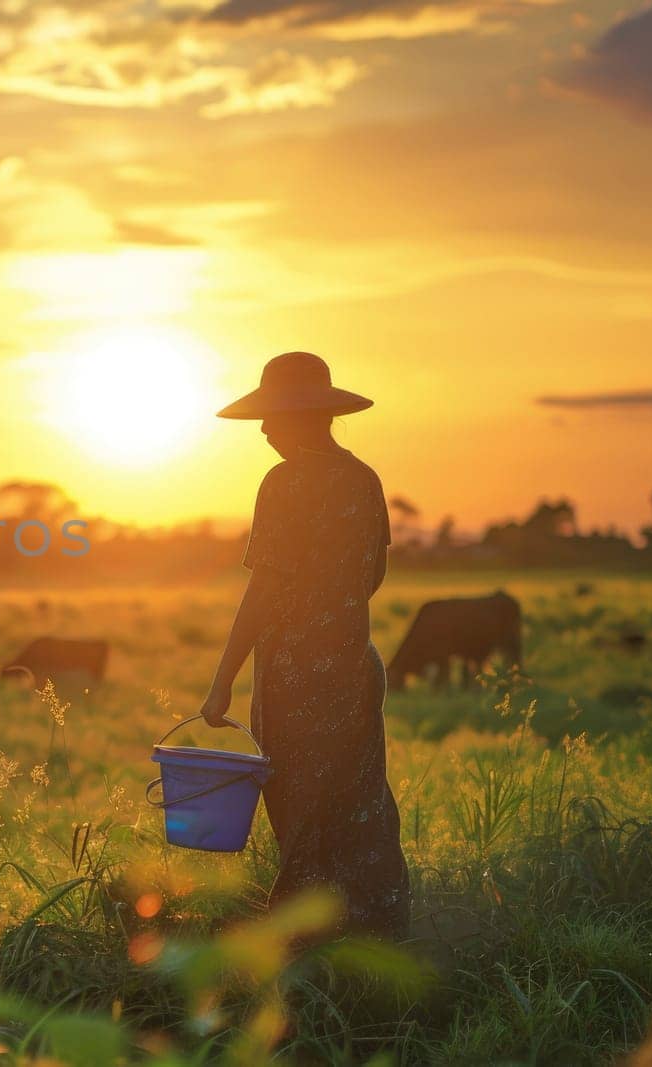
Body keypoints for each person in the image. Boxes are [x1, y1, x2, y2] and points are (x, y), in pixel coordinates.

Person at [199, 351, 410, 940]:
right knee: (359, 808)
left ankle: (305, 951)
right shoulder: (364, 478)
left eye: (273, 416)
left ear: (303, 416)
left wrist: (222, 681)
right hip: (353, 667)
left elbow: (264, 588)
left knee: (301, 816)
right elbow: (374, 576)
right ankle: (377, 935)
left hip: (294, 678)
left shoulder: (285, 482)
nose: (264, 429)